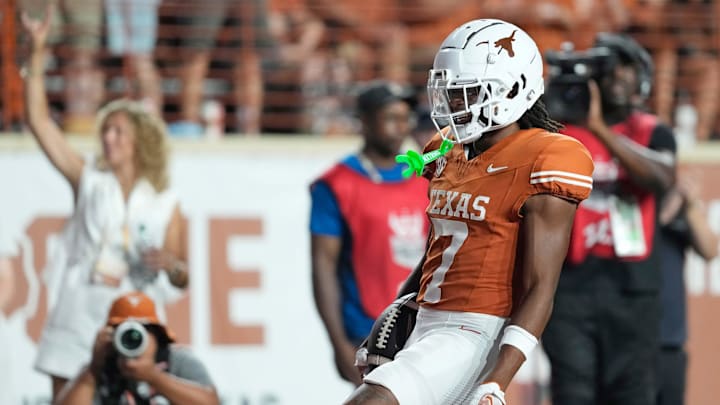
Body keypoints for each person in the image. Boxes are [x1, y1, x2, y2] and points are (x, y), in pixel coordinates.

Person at [344, 19, 595, 405]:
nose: (453, 105)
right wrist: (399, 307)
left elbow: (540, 286)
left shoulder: (549, 155)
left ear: (512, 89)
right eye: (449, 94)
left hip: (475, 329)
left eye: (467, 93)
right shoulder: (447, 149)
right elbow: (436, 250)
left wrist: (498, 379)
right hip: (427, 319)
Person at [23, 8, 190, 400]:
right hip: (79, 311)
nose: (108, 139)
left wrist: (168, 263)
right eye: (106, 130)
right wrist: (36, 52)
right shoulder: (90, 181)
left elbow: (183, 275)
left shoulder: (166, 201)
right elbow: (40, 122)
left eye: (118, 130)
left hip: (137, 314)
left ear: (141, 141)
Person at [542, 33, 677, 405]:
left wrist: (600, 128)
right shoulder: (561, 133)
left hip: (632, 287)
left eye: (625, 70)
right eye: (608, 70)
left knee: (632, 393)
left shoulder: (652, 131)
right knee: (573, 393)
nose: (617, 78)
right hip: (572, 286)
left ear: (641, 79)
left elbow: (662, 179)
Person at [310, 80, 428, 386]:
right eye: (390, 118)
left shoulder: (427, 176)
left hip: (426, 324)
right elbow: (323, 267)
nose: (400, 127)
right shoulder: (337, 184)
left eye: (405, 118)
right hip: (369, 330)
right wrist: (338, 343)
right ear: (363, 121)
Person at [55, 291, 219, 405]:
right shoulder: (101, 367)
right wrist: (92, 371)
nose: (134, 339)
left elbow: (211, 403)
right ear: (111, 336)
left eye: (143, 330)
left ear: (157, 335)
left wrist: (154, 377)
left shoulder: (178, 361)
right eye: (123, 331)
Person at [656, 174, 718, 405]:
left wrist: (691, 206)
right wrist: (665, 213)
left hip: (671, 341)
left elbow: (710, 250)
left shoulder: (681, 208)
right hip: (634, 339)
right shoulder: (640, 198)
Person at [104, 0, 164, 114]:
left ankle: (153, 114)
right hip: (118, 6)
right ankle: (136, 112)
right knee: (130, 61)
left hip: (138, 6)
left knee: (141, 59)